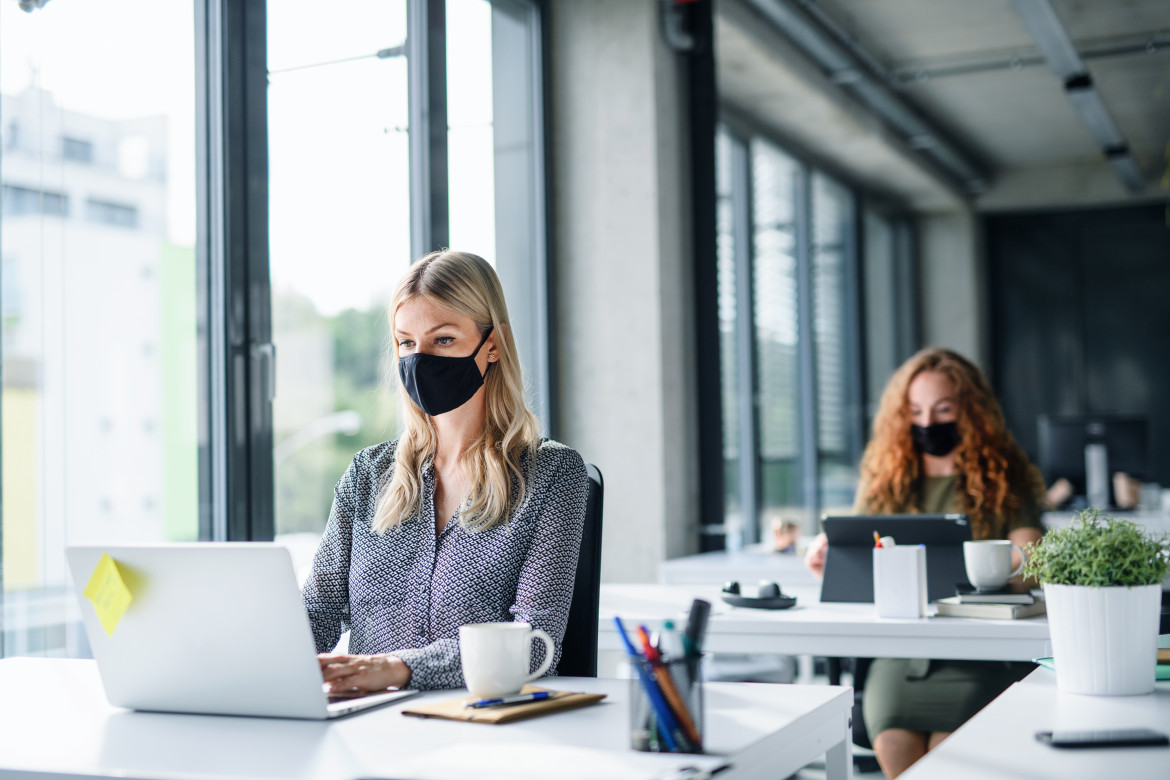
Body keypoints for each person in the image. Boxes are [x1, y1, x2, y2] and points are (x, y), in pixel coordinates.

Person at [302, 249, 589, 693]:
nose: (421, 359)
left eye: (444, 340)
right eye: (407, 343)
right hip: (364, 723)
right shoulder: (367, 474)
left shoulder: (553, 475)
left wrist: (400, 668)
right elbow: (317, 612)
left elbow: (535, 645)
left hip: (478, 730)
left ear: (492, 345)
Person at [804, 347, 1044, 779]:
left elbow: (1030, 557)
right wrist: (829, 557)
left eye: (943, 409)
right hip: (902, 654)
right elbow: (858, 548)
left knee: (945, 754)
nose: (927, 423)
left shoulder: (1006, 474)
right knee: (897, 744)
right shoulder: (886, 476)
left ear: (970, 411)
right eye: (915, 411)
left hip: (980, 651)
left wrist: (1005, 561)